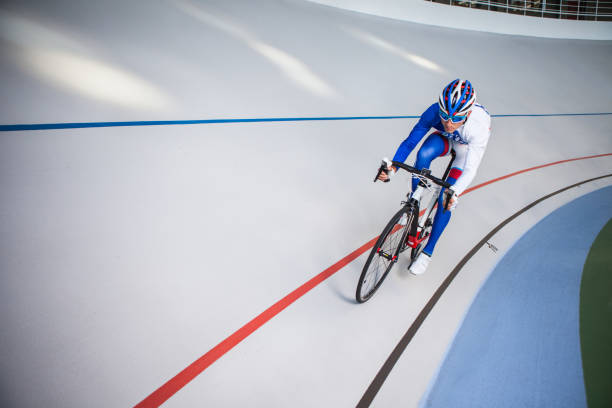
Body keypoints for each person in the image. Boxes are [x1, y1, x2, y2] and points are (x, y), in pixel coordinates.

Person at [377, 79, 491, 275]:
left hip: (464, 151)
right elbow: (409, 142)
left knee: (445, 198)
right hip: (445, 141)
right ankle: (414, 205)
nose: (448, 123)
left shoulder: (478, 127)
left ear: (468, 114)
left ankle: (427, 253)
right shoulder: (433, 112)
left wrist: (454, 193)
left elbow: (471, 169)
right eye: (445, 116)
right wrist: (393, 167)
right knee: (423, 154)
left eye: (456, 119)